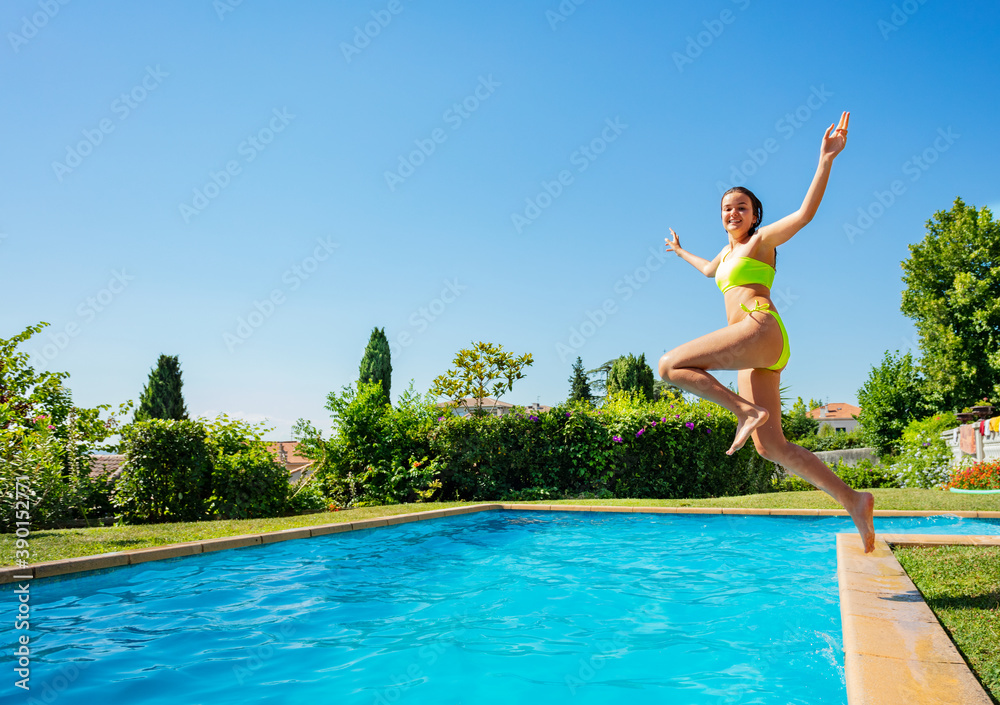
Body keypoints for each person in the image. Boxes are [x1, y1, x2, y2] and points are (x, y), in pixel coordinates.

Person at [658, 112, 876, 553]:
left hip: (759, 327)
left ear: (756, 215)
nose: (732, 212)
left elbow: (805, 213)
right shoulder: (725, 253)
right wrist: (680, 251)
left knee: (670, 365)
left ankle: (744, 410)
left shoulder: (762, 242)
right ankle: (854, 500)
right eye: (726, 208)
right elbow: (707, 271)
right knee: (770, 447)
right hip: (753, 346)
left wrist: (825, 160)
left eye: (741, 207)